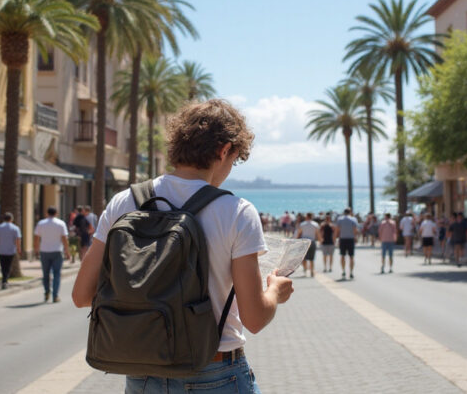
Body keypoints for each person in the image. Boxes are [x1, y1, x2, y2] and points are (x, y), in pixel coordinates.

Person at [72, 99, 293, 393]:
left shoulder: (124, 202)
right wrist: (275, 291)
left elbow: (81, 296)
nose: (230, 168)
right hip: (215, 374)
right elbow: (253, 318)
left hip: (142, 376)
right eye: (234, 159)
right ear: (224, 150)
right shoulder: (237, 212)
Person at [34, 206, 70, 303]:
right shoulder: (60, 223)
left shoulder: (41, 223)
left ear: (47, 213)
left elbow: (36, 238)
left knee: (46, 274)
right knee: (57, 274)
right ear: (56, 213)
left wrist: (36, 249)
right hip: (57, 251)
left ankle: (46, 292)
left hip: (44, 251)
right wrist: (67, 251)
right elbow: (64, 239)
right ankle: (55, 295)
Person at [0, 212, 22, 290]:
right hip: (10, 250)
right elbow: (18, 240)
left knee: (3, 266)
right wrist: (19, 249)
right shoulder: (15, 228)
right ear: (11, 219)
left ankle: (4, 280)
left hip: (0, 250)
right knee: (8, 266)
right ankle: (5, 280)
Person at [334, 207, 359, 279]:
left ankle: (343, 271)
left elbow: (337, 230)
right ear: (350, 212)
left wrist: (336, 239)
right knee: (351, 256)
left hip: (343, 239)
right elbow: (355, 229)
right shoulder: (353, 219)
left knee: (342, 256)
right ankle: (351, 272)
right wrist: (355, 237)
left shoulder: (340, 219)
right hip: (350, 239)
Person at [296, 212, 321, 277]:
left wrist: (296, 241)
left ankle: (305, 269)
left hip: (304, 242)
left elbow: (299, 233)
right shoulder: (315, 224)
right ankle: (312, 271)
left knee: (304, 258)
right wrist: (320, 240)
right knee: (312, 258)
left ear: (306, 216)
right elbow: (318, 234)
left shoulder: (302, 224)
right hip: (312, 241)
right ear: (312, 216)